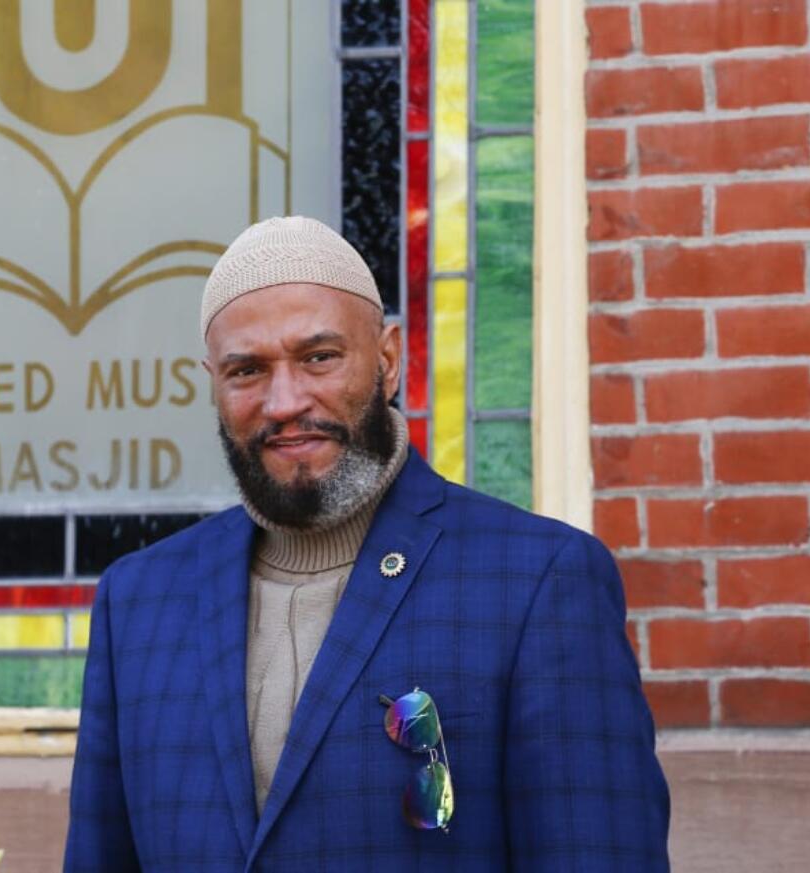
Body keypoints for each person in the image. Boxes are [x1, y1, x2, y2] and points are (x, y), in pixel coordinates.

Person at [64, 216, 670, 871]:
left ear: (387, 360)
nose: (285, 400)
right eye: (247, 370)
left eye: (319, 357)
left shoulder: (538, 582)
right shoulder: (140, 602)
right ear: (212, 382)